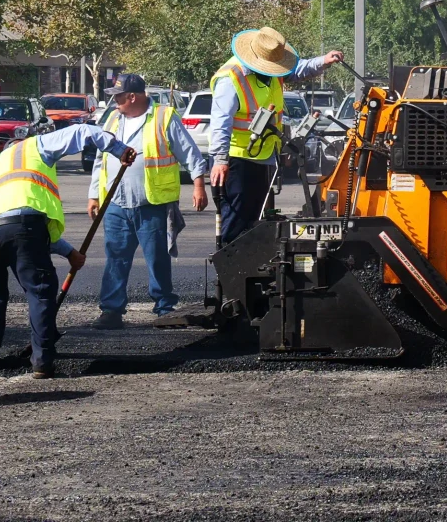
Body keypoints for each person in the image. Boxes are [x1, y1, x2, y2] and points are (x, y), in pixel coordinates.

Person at [0, 123, 136, 378]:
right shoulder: (34, 147)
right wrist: (118, 149)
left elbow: (17, 222)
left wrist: (70, 253)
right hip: (26, 228)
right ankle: (42, 362)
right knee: (39, 293)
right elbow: (83, 132)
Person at [87, 74, 211, 329]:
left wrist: (199, 184)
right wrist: (93, 194)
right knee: (116, 257)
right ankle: (111, 311)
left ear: (133, 96)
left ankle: (164, 308)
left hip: (151, 202)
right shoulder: (112, 119)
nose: (115, 101)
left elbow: (190, 152)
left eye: (118, 96)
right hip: (116, 203)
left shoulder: (163, 117)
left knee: (157, 257)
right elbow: (100, 160)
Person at [206, 27, 344, 247]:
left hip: (264, 156)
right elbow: (220, 123)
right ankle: (231, 266)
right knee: (236, 218)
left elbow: (298, 69)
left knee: (256, 217)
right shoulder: (231, 79)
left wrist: (324, 61)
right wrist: (220, 160)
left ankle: (249, 264)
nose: (276, 72)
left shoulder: (274, 72)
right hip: (237, 159)